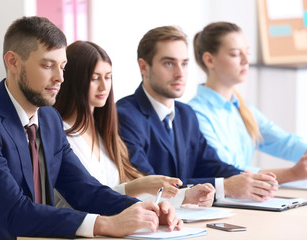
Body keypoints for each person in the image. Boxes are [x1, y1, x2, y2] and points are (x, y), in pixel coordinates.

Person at [0, 17, 182, 240]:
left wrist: (142, 209)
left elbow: (85, 190)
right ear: (13, 62)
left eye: (63, 66)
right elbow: (14, 212)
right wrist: (104, 223)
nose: (60, 77)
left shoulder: (49, 119)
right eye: (48, 66)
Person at [116, 25, 279, 203]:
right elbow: (148, 184)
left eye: (184, 63)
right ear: (144, 67)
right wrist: (226, 187)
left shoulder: (186, 115)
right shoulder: (125, 116)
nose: (180, 73)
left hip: (191, 216)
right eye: (169, 63)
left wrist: (249, 179)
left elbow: (210, 165)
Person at [53, 40, 215, 208]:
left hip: (120, 228)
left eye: (108, 77)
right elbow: (81, 199)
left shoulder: (105, 131)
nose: (104, 86)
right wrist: (136, 186)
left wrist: (185, 197)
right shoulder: (58, 134)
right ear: (72, 80)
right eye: (94, 78)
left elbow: (133, 193)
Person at [188, 21, 307, 184]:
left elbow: (283, 142)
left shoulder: (241, 107)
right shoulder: (195, 113)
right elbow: (225, 169)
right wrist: (292, 173)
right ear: (209, 60)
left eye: (247, 53)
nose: (246, 60)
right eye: (236, 54)